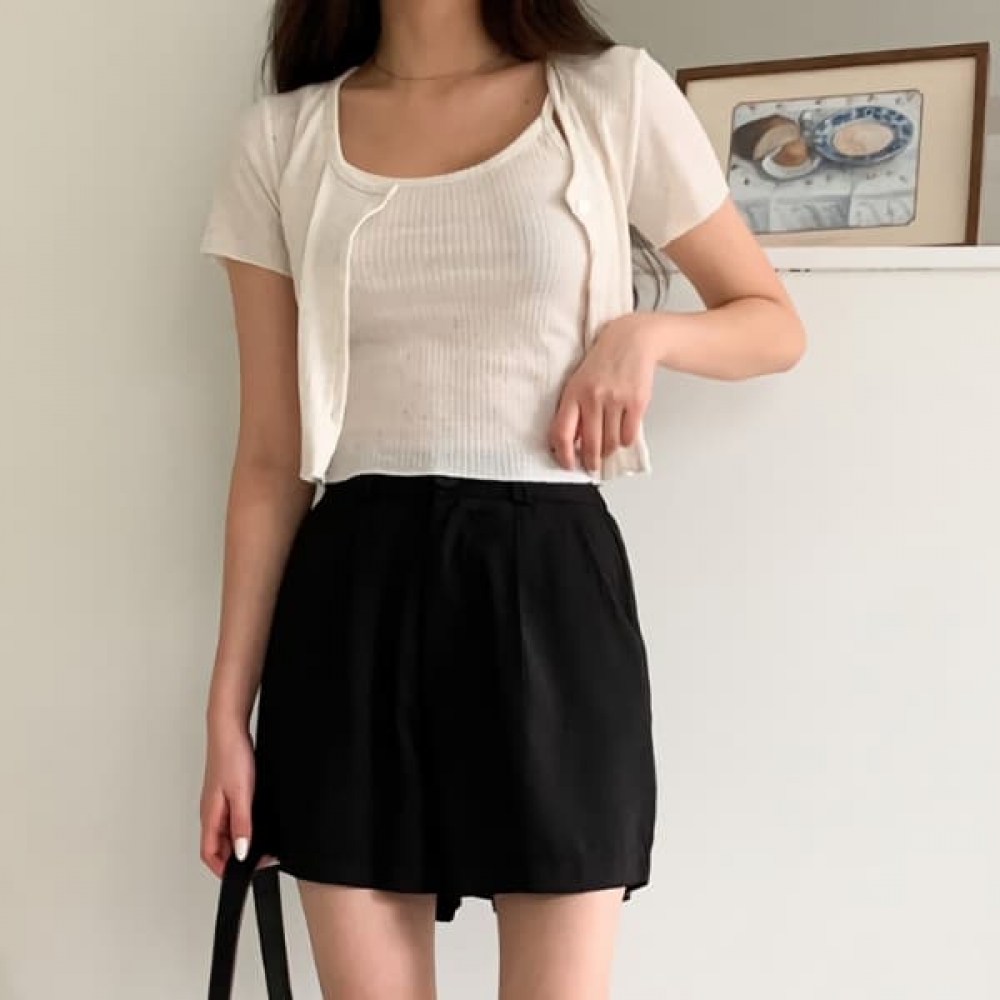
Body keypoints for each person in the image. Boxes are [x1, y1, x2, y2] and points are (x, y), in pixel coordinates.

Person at [197, 0, 806, 997]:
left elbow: (773, 323)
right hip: (350, 601)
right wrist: (228, 715)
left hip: (550, 587)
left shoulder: (609, 96)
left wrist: (644, 335)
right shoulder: (281, 139)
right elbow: (270, 456)